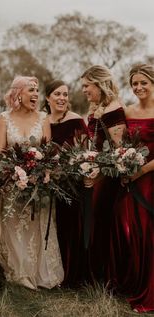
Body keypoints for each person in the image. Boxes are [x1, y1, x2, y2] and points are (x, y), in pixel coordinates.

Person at [0, 75, 64, 290]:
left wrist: (38, 171)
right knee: (14, 224)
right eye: (30, 90)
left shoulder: (44, 118)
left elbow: (48, 151)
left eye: (37, 90)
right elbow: (1, 151)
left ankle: (37, 271)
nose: (35, 94)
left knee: (35, 224)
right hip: (12, 182)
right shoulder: (4, 118)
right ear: (18, 94)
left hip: (38, 182)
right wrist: (17, 172)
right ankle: (18, 271)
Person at [108, 63, 154, 313]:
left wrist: (142, 171)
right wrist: (124, 167)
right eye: (134, 83)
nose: (138, 87)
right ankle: (132, 281)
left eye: (143, 82)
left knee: (148, 231)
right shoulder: (129, 110)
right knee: (126, 225)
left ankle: (149, 287)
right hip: (131, 179)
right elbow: (122, 143)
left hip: (150, 178)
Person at [80, 65, 126, 283]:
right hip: (96, 172)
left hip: (108, 178)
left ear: (99, 84)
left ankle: (107, 277)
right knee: (94, 220)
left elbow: (119, 150)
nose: (84, 90)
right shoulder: (99, 106)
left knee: (102, 221)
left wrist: (98, 173)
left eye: (87, 86)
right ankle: (94, 274)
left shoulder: (114, 110)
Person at [43, 79, 88, 287]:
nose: (62, 98)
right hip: (48, 183)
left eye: (65, 95)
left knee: (70, 226)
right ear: (47, 98)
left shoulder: (76, 120)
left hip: (72, 184)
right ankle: (52, 272)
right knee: (52, 226)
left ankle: (73, 275)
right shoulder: (44, 121)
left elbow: (86, 153)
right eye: (57, 94)